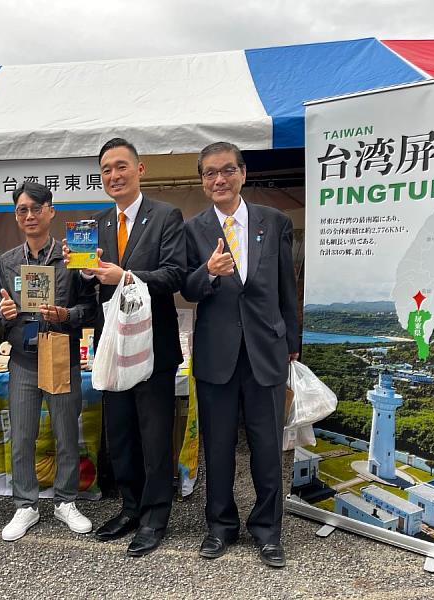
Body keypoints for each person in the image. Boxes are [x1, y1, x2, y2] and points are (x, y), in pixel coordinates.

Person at [66, 138, 186, 557]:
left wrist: (126, 276)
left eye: (120, 167)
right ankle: (130, 508)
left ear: (141, 170)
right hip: (111, 347)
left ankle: (155, 517)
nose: (113, 176)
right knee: (120, 436)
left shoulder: (166, 216)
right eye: (105, 170)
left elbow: (174, 275)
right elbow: (86, 283)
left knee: (154, 436)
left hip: (153, 347)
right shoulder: (95, 223)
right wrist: (81, 270)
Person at [181, 142, 299, 568]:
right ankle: (220, 527)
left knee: (268, 447)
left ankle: (268, 531)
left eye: (226, 170)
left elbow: (288, 287)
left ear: (243, 173)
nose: (219, 180)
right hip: (217, 355)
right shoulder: (192, 229)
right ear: (202, 180)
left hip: (267, 350)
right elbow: (188, 288)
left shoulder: (274, 221)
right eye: (210, 173)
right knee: (218, 446)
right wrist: (207, 273)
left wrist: (292, 343)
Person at [0, 182, 97, 541]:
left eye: (36, 209)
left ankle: (65, 500)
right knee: (22, 436)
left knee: (66, 434)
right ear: (16, 215)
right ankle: (26, 504)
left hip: (61, 354)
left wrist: (65, 314)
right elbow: (1, 314)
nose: (29, 216)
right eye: (22, 210)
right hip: (23, 359)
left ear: (51, 211)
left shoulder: (71, 259)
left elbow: (90, 310)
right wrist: (4, 313)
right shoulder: (7, 261)